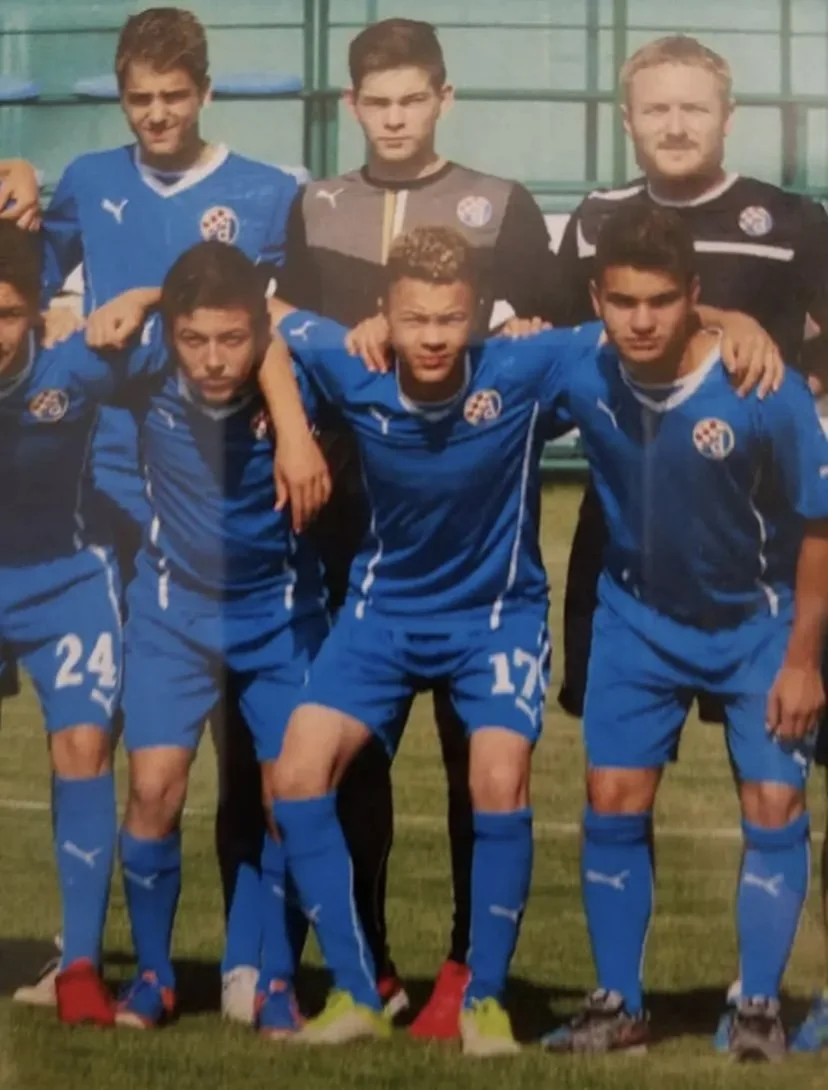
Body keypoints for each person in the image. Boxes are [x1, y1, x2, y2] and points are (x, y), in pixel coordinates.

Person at [258, 223, 778, 1054]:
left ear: (478, 316)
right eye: (415, 319)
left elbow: (642, 316)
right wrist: (290, 424)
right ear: (382, 315)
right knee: (293, 777)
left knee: (500, 779)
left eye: (451, 319)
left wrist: (734, 321)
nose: (433, 337)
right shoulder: (350, 359)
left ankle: (485, 999)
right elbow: (264, 319)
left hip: (493, 621)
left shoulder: (525, 364)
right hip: (380, 617)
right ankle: (357, 992)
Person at [14, 6, 304, 1023]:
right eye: (139, 98)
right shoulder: (89, 182)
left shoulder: (270, 192)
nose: (156, 115)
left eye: (174, 97)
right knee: (125, 746)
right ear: (119, 95)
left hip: (238, 508)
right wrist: (14, 178)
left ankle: (246, 955)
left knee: (252, 750)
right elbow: (27, 286)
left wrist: (142, 290)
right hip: (120, 511)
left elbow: (279, 328)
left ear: (206, 91)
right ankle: (96, 951)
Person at [280, 16, 558, 1036]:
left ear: (444, 98)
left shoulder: (503, 206)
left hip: (480, 529)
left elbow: (548, 326)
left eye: (413, 99)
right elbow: (281, 335)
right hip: (357, 535)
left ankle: (464, 973)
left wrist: (519, 324)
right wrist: (296, 441)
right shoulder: (317, 206)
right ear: (354, 107)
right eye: (377, 102)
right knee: (344, 771)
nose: (395, 119)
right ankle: (372, 970)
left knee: (477, 764)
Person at [536, 204, 828, 1062]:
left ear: (694, 297)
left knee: (774, 803)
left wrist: (806, 660)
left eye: (662, 300)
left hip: (756, 625)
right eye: (622, 300)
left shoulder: (760, 387)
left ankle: (760, 1009)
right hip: (636, 618)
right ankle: (618, 1004)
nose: (641, 319)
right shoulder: (577, 365)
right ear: (597, 296)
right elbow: (445, 357)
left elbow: (820, 526)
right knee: (612, 801)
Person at [554, 34, 828, 721]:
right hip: (629, 523)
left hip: (765, 533)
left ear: (728, 118)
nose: (675, 127)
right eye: (656, 110)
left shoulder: (792, 220)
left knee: (782, 740)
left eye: (695, 109)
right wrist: (719, 317)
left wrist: (811, 385)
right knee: (617, 770)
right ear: (628, 120)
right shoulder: (594, 220)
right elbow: (559, 342)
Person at [100, 242, 329, 1033]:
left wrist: (294, 423)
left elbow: (361, 339)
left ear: (259, 333)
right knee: (155, 791)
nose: (212, 359)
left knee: (285, 801)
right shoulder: (146, 370)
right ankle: (156, 977)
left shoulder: (299, 369)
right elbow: (53, 335)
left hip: (281, 615)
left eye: (231, 339)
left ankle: (273, 982)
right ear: (170, 333)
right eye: (193, 339)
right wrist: (133, 294)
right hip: (173, 614)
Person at [0, 220, 129, 1026]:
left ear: (38, 311)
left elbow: (195, 351)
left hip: (69, 583)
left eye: (7, 313)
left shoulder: (77, 366)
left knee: (82, 747)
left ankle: (79, 964)